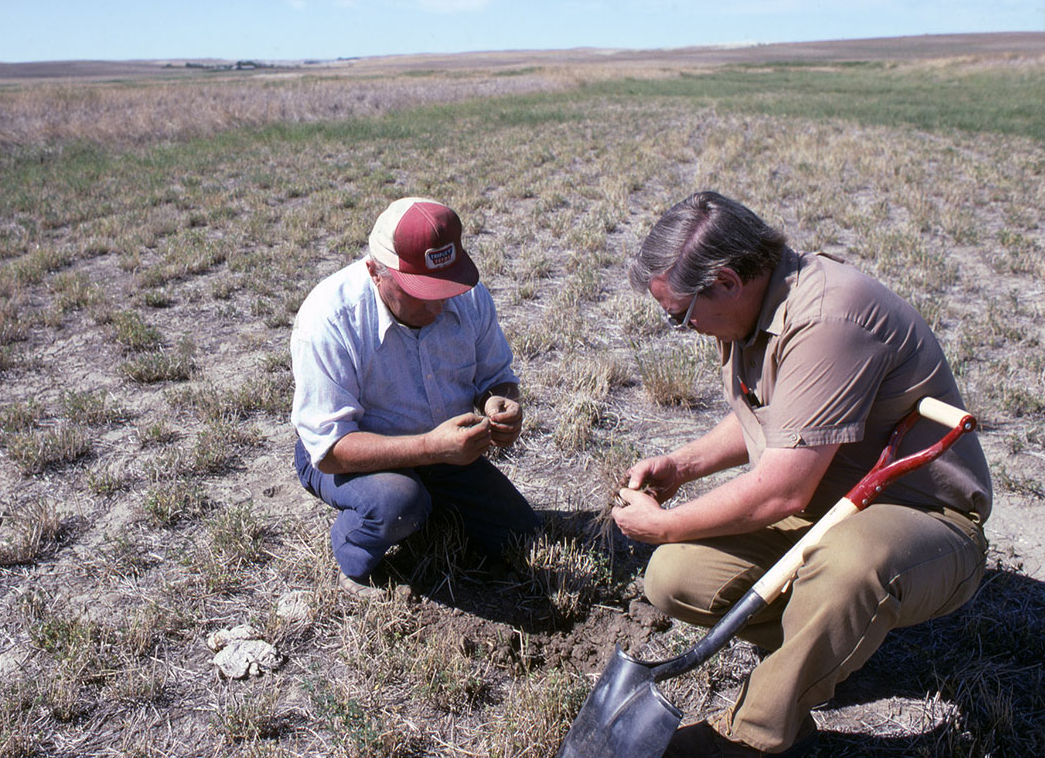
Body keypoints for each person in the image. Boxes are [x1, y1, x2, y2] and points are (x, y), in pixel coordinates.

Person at [614, 191, 991, 756]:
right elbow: (776, 418)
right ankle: (825, 650)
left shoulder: (827, 320)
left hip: (928, 519)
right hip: (831, 508)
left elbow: (783, 490)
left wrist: (664, 524)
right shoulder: (755, 312)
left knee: (849, 566)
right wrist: (684, 465)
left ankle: (754, 736)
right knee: (676, 575)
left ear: (725, 280)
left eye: (679, 316)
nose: (683, 329)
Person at [290, 196, 540, 597]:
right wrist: (430, 447)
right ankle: (355, 554)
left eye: (445, 286)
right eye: (420, 291)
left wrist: (499, 400)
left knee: (522, 537)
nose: (440, 303)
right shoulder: (329, 319)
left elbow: (495, 376)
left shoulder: (468, 296)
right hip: (348, 456)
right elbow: (331, 448)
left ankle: (428, 507)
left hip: (443, 450)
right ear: (375, 271)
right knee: (397, 502)